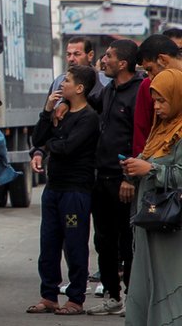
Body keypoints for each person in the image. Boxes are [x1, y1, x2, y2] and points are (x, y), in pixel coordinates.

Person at [25, 64, 100, 316]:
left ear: (79, 88)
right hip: (53, 188)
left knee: (75, 244)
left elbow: (67, 147)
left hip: (75, 191)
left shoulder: (88, 118)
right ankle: (49, 295)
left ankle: (75, 298)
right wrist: (47, 112)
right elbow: (38, 139)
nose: (61, 85)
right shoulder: (60, 112)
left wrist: (51, 143)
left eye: (66, 81)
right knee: (49, 244)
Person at [86, 40, 143, 316]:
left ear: (122, 63)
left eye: (108, 56)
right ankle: (112, 295)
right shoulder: (109, 90)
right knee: (103, 240)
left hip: (124, 180)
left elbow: (138, 138)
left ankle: (133, 296)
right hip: (102, 178)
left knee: (127, 241)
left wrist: (129, 179)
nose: (102, 60)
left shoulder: (139, 92)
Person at [122, 69, 182, 326]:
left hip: (172, 230)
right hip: (152, 226)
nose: (156, 107)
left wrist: (152, 170)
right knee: (147, 280)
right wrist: (136, 167)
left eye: (162, 100)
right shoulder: (161, 130)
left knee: (170, 282)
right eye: (154, 100)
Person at [133, 35, 182, 157]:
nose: (150, 77)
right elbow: (142, 130)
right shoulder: (148, 86)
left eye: (150, 69)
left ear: (163, 60)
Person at [47, 37, 106, 125]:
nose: (71, 59)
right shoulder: (59, 82)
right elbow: (47, 118)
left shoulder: (105, 82)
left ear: (90, 55)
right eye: (68, 54)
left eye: (77, 54)